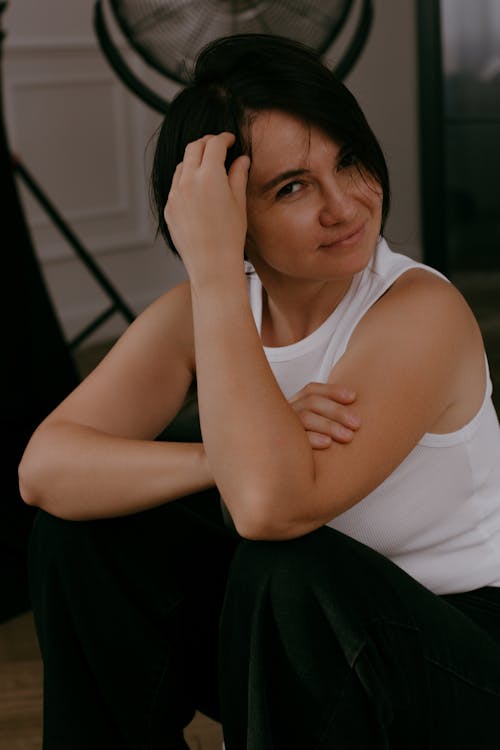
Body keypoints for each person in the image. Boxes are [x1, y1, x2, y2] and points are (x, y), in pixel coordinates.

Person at [19, 32, 500, 750]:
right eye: (293, 187)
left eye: (350, 160)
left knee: (287, 560)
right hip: (299, 644)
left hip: (454, 658)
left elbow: (271, 509)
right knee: (82, 530)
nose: (347, 206)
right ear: (226, 213)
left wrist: (214, 274)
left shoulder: (419, 312)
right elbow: (44, 470)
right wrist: (217, 453)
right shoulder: (209, 308)